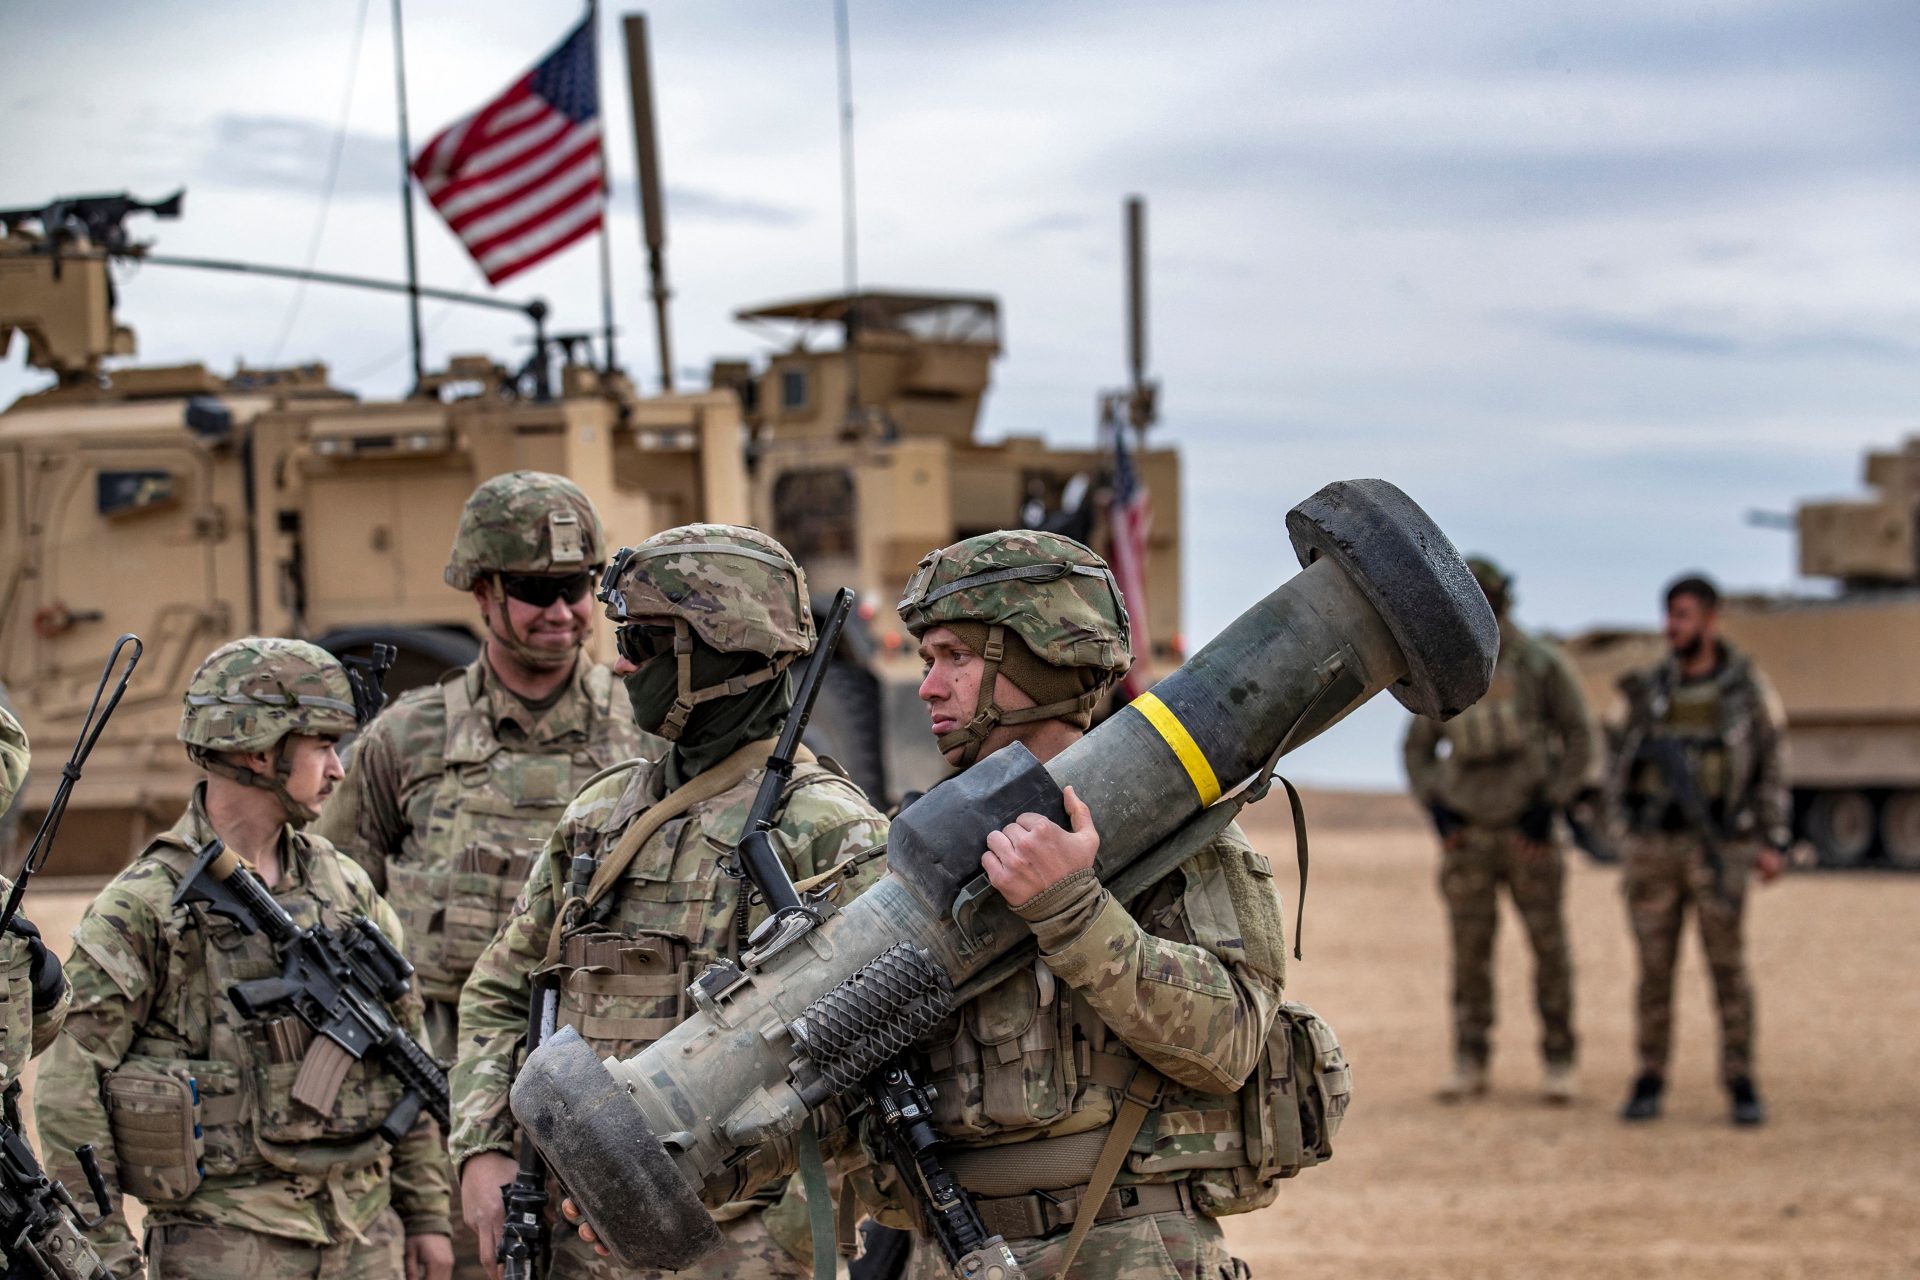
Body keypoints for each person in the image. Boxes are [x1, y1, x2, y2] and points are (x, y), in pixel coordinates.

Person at [452, 524, 889, 1280]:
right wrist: (484, 1147)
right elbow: (505, 988)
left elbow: (868, 1067)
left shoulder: (830, 832)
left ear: (723, 653)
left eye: (648, 640)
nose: (621, 661)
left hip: (739, 1248)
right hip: (572, 1240)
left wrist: (782, 1246)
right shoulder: (601, 816)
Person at [872, 530, 1288, 1280]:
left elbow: (1230, 1045)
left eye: (956, 658)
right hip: (949, 1252)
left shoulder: (1180, 844)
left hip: (1129, 1251)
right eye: (929, 660)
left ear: (1039, 657)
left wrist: (1072, 911)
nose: (929, 686)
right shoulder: (909, 857)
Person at [37, 638, 453, 1280]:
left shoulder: (345, 889)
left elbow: (402, 1051)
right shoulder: (145, 906)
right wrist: (106, 1252)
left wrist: (425, 1215)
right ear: (261, 750)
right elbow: (70, 1087)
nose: (339, 770)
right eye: (322, 746)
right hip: (226, 1245)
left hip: (366, 1237)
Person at [1403, 556, 1598, 1103]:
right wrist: (1438, 810)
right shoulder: (1448, 669)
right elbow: (1418, 749)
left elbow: (1582, 737)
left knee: (1549, 952)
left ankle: (1560, 1060)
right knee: (1470, 958)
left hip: (1528, 835)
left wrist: (1552, 803)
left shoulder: (1539, 666)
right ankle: (1470, 1061)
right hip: (1469, 837)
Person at [1608, 574, 1787, 1127]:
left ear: (1710, 619)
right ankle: (1649, 1077)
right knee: (1653, 972)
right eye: (1669, 615)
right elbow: (1616, 763)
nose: (1672, 627)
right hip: (1655, 848)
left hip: (1719, 848)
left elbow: (1771, 765)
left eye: (1683, 616)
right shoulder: (1649, 689)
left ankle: (1740, 1081)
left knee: (1727, 970)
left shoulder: (1744, 689)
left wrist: (1771, 839)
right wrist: (1622, 832)